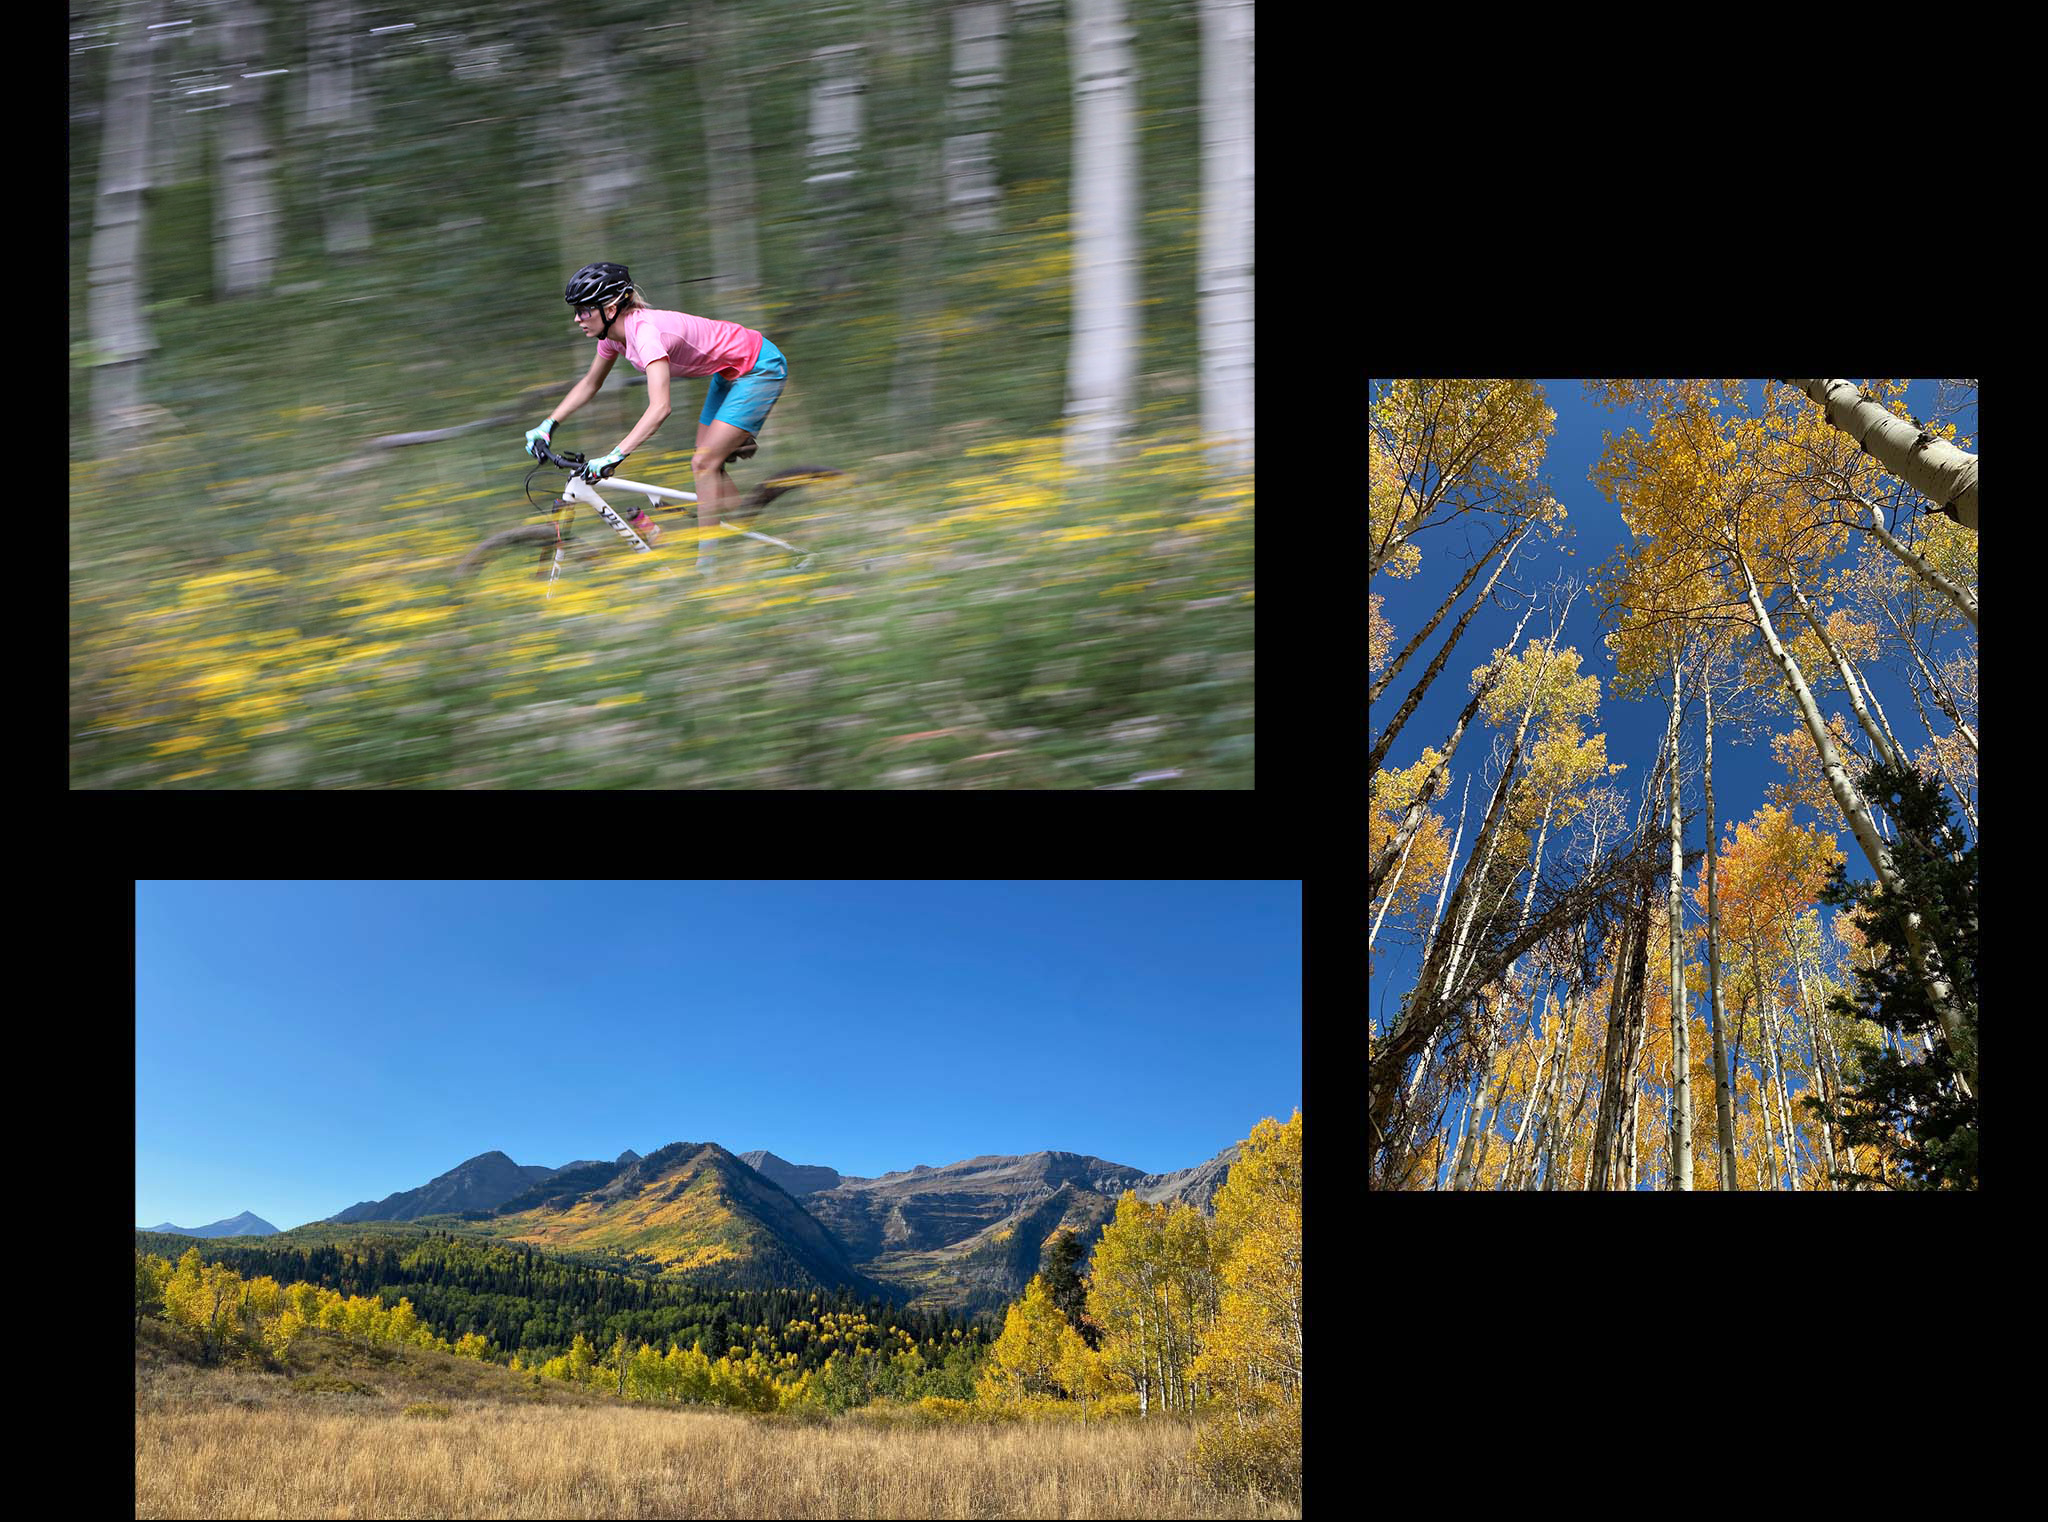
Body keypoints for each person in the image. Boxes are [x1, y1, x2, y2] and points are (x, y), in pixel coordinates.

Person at [525, 262, 789, 573]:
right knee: (710, 472)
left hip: (758, 367)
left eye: (584, 310)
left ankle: (707, 569)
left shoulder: (645, 335)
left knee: (702, 463)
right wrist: (548, 425)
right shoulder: (612, 337)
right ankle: (743, 523)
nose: (577, 318)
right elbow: (590, 383)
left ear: (610, 309)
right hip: (728, 372)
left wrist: (615, 455)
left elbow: (661, 407)